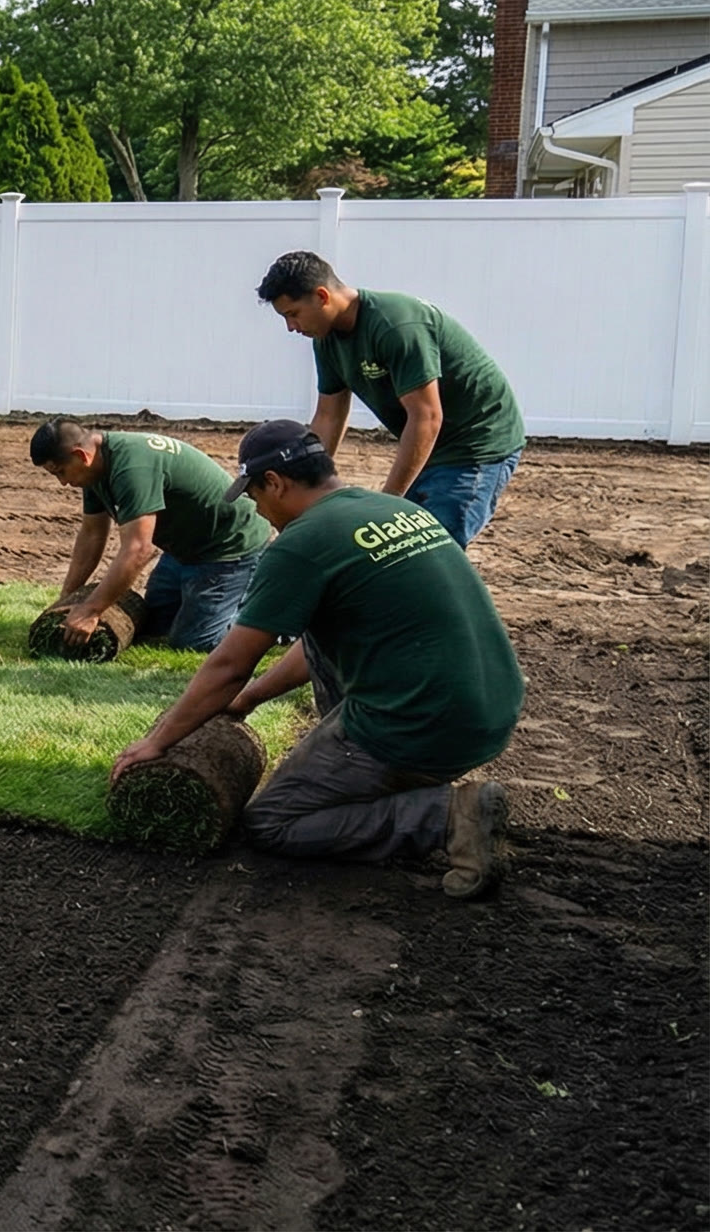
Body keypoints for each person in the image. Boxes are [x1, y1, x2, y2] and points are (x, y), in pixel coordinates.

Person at [110, 421, 522, 899]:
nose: (258, 511)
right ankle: (379, 775)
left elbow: (230, 664)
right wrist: (250, 701)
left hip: (420, 723)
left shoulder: (302, 543)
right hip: (491, 705)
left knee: (273, 822)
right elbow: (315, 645)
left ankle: (445, 817)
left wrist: (157, 742)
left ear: (276, 484)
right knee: (322, 627)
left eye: (255, 497)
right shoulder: (390, 507)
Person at [257, 251, 525, 545]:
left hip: (477, 443)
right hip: (433, 445)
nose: (291, 327)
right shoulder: (326, 339)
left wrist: (387, 505)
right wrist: (305, 484)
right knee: (403, 539)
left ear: (322, 296)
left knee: (431, 547)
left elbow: (426, 418)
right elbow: (328, 417)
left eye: (293, 314)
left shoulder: (394, 326)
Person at [29, 419, 272, 652]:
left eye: (60, 472)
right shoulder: (93, 469)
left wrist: (91, 611)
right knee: (154, 627)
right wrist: (67, 600)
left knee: (195, 641)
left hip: (229, 547)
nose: (62, 482)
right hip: (183, 551)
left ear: (81, 456)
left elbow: (138, 549)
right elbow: (92, 535)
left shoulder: (132, 467)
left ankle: (274, 620)